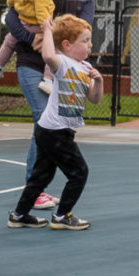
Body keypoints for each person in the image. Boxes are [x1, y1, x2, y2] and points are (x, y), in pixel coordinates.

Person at [9, 12, 97, 231]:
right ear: (66, 45)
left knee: (41, 176)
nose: (89, 45)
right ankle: (62, 216)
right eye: (84, 41)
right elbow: (48, 56)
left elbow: (94, 98)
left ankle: (19, 214)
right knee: (79, 173)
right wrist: (48, 30)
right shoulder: (63, 63)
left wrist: (99, 81)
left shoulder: (85, 68)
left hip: (55, 131)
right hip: (54, 132)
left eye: (89, 40)